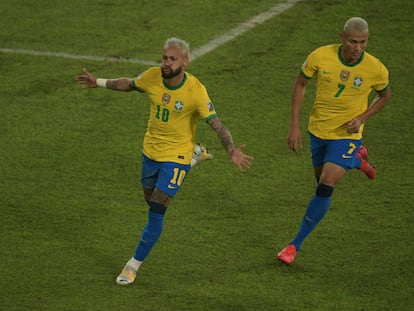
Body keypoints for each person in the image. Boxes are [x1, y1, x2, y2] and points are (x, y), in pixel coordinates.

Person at [75, 37, 253, 285]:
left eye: (173, 59)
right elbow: (130, 85)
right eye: (165, 58)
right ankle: (195, 156)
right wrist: (99, 82)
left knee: (157, 209)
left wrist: (232, 150)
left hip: (176, 156)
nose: (166, 63)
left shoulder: (196, 91)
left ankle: (132, 265)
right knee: (150, 201)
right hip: (150, 153)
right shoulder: (152, 76)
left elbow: (217, 125)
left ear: (185, 62)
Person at [277, 17, 392, 265]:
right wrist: (294, 125)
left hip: (347, 135)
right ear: (342, 37)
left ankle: (293, 246)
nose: (357, 47)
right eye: (353, 41)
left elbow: (384, 96)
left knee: (326, 184)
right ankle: (357, 161)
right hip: (317, 131)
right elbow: (300, 84)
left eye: (363, 42)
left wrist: (362, 118)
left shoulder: (375, 68)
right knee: (320, 180)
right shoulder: (320, 56)